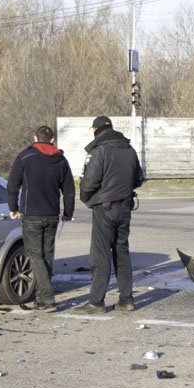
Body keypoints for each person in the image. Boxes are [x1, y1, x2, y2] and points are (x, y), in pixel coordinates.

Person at [72, 116, 143, 314]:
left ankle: (96, 302)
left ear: (96, 129)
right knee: (122, 253)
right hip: (125, 207)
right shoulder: (129, 149)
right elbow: (139, 178)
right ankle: (126, 299)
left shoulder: (100, 150)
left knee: (100, 255)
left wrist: (87, 198)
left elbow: (89, 182)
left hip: (105, 208)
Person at [7, 125, 75, 312]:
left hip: (32, 214)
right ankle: (42, 297)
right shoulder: (61, 159)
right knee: (47, 256)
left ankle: (46, 297)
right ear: (52, 140)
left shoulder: (25, 157)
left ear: (35, 138)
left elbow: (13, 184)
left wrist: (13, 207)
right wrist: (68, 213)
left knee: (36, 256)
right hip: (52, 215)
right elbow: (69, 190)